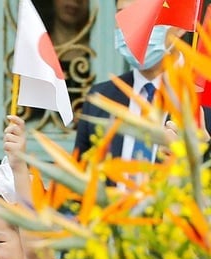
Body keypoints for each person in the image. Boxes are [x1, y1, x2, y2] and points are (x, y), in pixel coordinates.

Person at [73, 0, 204, 159]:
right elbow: (81, 172)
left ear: (179, 24)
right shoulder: (99, 97)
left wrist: (202, 154)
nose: (132, 26)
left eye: (144, 14)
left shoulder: (203, 97)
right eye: (122, 14)